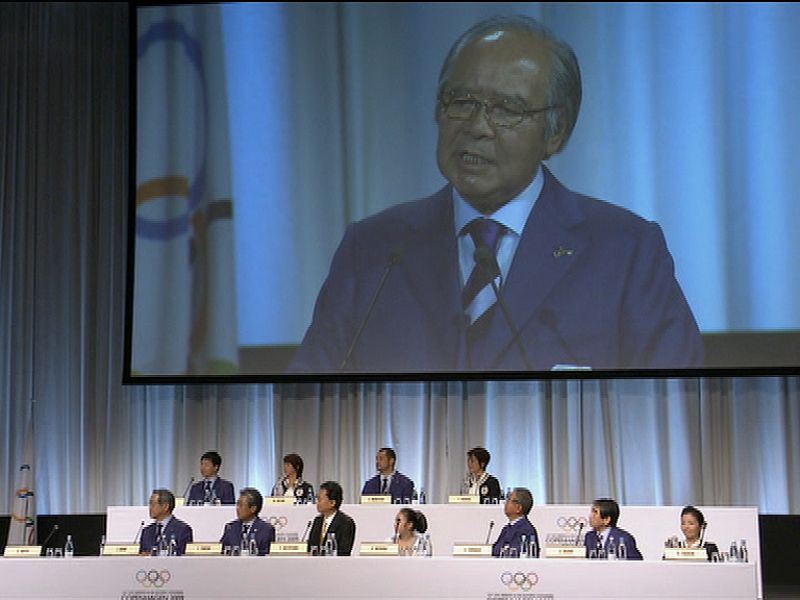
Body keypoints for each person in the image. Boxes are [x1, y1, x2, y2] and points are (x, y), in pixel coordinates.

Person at [289, 14, 703, 373]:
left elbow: (677, 408)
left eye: (506, 109)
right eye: (461, 101)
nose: (477, 126)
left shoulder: (625, 251)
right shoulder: (373, 249)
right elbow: (306, 400)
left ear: (556, 132)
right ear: (438, 110)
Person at [219, 488, 275, 555]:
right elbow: (222, 551)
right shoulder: (230, 527)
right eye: (237, 505)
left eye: (240, 505)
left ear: (253, 509)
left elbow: (266, 555)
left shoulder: (266, 529)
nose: (237, 508)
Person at [307, 481, 356, 556]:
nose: (317, 503)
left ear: (332, 503)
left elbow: (344, 551)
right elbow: (310, 547)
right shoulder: (317, 521)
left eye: (320, 500)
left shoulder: (346, 523)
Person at [139, 489, 193, 556]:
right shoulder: (147, 531)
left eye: (153, 504)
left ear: (165, 507)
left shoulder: (182, 529)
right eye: (150, 504)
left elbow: (184, 555)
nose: (150, 508)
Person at [491, 487, 539, 557]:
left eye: (509, 500)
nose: (505, 503)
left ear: (518, 508)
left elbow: (518, 552)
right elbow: (495, 550)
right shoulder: (506, 528)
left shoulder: (527, 530)